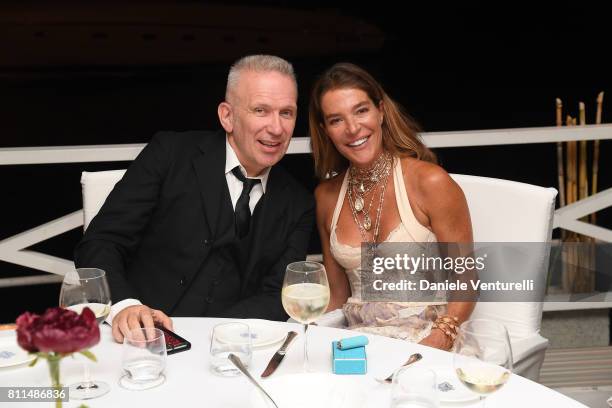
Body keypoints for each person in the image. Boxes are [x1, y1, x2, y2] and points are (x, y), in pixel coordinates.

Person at [75, 55, 314, 343]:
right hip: (137, 342)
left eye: (286, 113)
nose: (276, 128)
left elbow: (279, 294)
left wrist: (211, 335)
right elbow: (101, 242)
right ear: (227, 116)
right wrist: (126, 306)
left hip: (226, 349)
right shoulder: (170, 154)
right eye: (261, 110)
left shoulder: (299, 202)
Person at [309, 63, 474, 351]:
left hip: (431, 343)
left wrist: (439, 338)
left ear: (381, 111)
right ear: (326, 131)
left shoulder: (430, 182)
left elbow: (467, 280)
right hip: (359, 346)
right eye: (336, 120)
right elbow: (337, 297)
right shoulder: (326, 197)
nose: (352, 128)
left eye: (361, 110)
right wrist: (306, 332)